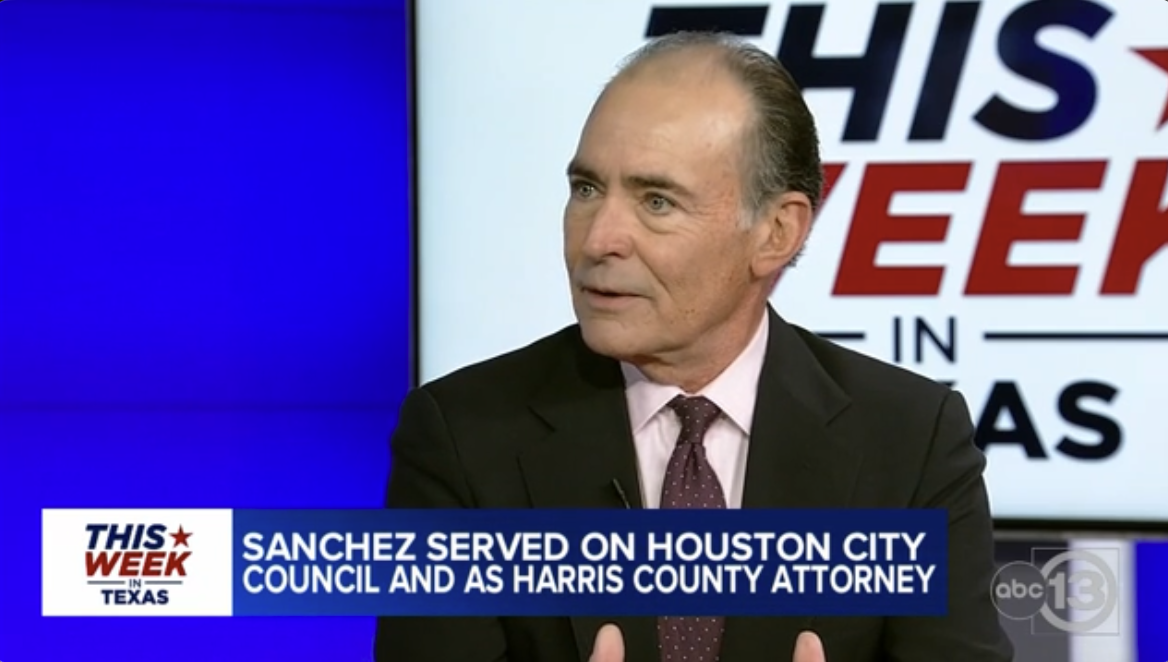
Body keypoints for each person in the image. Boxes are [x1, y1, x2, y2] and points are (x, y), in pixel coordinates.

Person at [374, 31, 1014, 662]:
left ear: (776, 232)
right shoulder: (464, 437)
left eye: (657, 201)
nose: (598, 240)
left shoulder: (909, 440)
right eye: (586, 189)